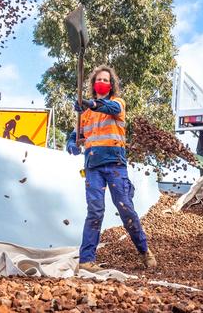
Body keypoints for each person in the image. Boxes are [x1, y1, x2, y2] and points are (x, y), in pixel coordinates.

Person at [66, 64, 156, 272]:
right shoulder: (85, 113)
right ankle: (87, 260)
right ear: (93, 84)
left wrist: (90, 103)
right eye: (100, 79)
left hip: (115, 166)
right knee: (95, 212)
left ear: (111, 85)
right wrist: (71, 143)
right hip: (93, 168)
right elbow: (75, 134)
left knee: (126, 209)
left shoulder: (117, 103)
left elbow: (110, 109)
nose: (103, 83)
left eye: (107, 80)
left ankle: (144, 251)